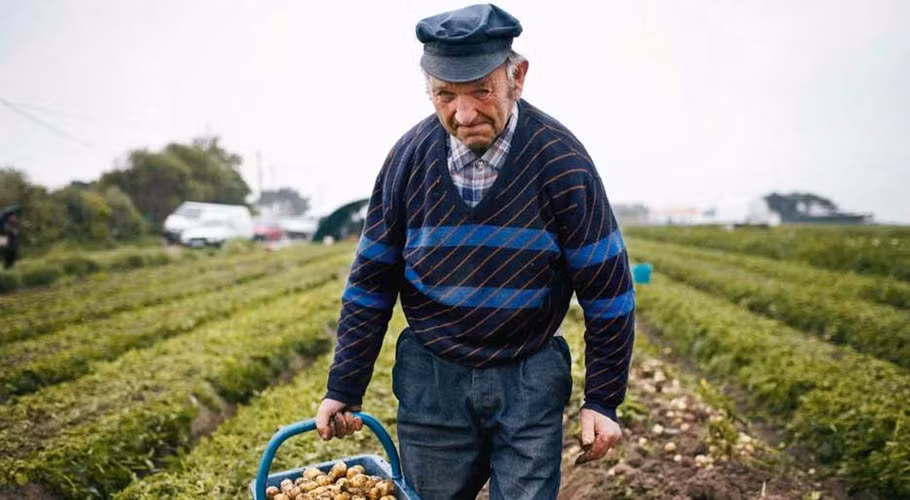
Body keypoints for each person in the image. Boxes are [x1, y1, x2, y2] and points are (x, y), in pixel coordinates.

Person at [316, 4, 635, 499]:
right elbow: (372, 282)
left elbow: (608, 292)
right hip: (433, 381)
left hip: (529, 376)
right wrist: (344, 385)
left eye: (481, 91)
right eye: (445, 94)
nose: (463, 115)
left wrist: (603, 400)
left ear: (517, 78)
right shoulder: (408, 160)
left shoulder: (562, 162)